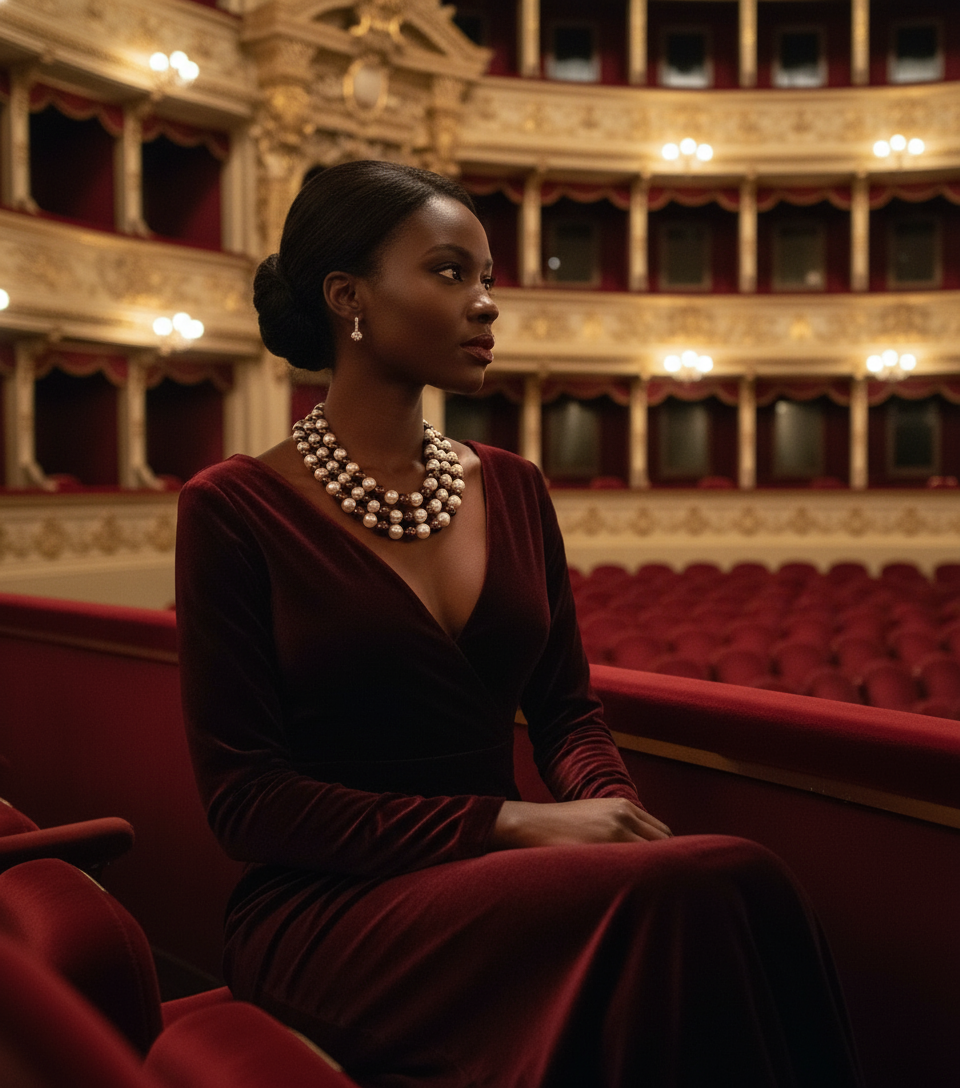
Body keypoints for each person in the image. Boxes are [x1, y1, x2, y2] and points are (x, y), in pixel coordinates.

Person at [175, 160, 862, 1087]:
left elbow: (566, 714)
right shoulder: (231, 507)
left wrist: (614, 818)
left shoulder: (514, 484)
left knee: (732, 876)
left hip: (501, 879)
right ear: (350, 299)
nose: (488, 302)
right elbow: (248, 804)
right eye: (451, 272)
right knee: (705, 885)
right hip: (328, 909)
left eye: (487, 277)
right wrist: (511, 822)